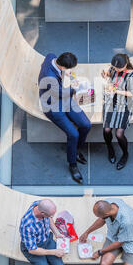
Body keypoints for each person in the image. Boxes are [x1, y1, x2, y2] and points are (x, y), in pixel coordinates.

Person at [38, 52, 91, 184]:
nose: (70, 71)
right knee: (73, 134)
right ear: (62, 66)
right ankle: (72, 164)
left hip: (63, 98)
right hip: (52, 104)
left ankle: (76, 149)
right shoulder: (49, 77)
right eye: (68, 69)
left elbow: (47, 62)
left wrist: (65, 74)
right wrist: (74, 88)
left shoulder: (52, 57)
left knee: (86, 125)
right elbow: (60, 93)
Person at [101, 54, 133, 170]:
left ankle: (125, 154)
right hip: (111, 101)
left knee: (119, 134)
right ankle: (110, 148)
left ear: (125, 65)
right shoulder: (114, 68)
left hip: (125, 103)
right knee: (106, 129)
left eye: (118, 69)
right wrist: (106, 75)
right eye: (114, 68)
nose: (115, 70)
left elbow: (132, 93)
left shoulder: (132, 75)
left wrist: (116, 90)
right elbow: (110, 74)